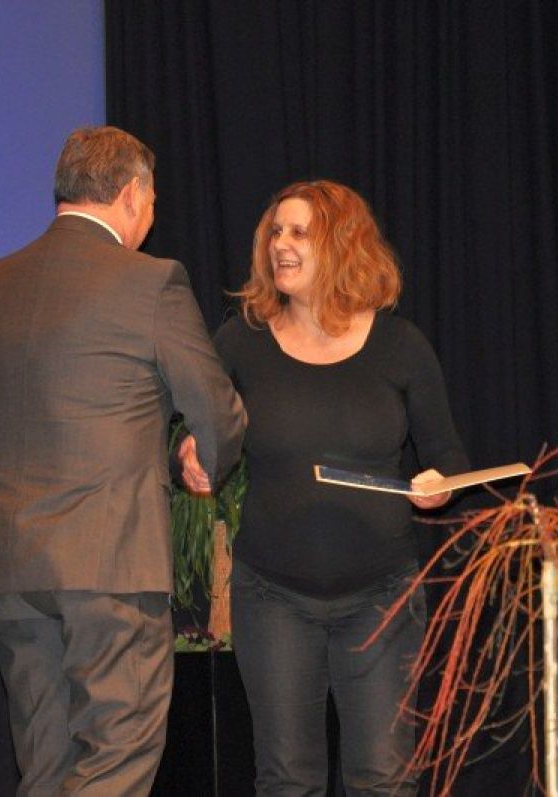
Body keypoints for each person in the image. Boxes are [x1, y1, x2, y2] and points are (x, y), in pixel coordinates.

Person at [0, 125, 246, 795]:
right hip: (107, 562)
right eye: (153, 200)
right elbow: (215, 406)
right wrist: (206, 459)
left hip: (8, 563)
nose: (152, 215)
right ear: (132, 193)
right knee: (116, 756)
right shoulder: (152, 281)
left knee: (45, 767)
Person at [179, 180, 470, 795]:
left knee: (384, 779)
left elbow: (446, 457)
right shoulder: (241, 341)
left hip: (383, 598)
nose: (280, 245)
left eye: (300, 233)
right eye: (275, 232)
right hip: (273, 596)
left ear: (343, 245)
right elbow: (192, 429)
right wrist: (189, 453)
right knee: (287, 779)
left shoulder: (401, 346)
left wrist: (438, 486)